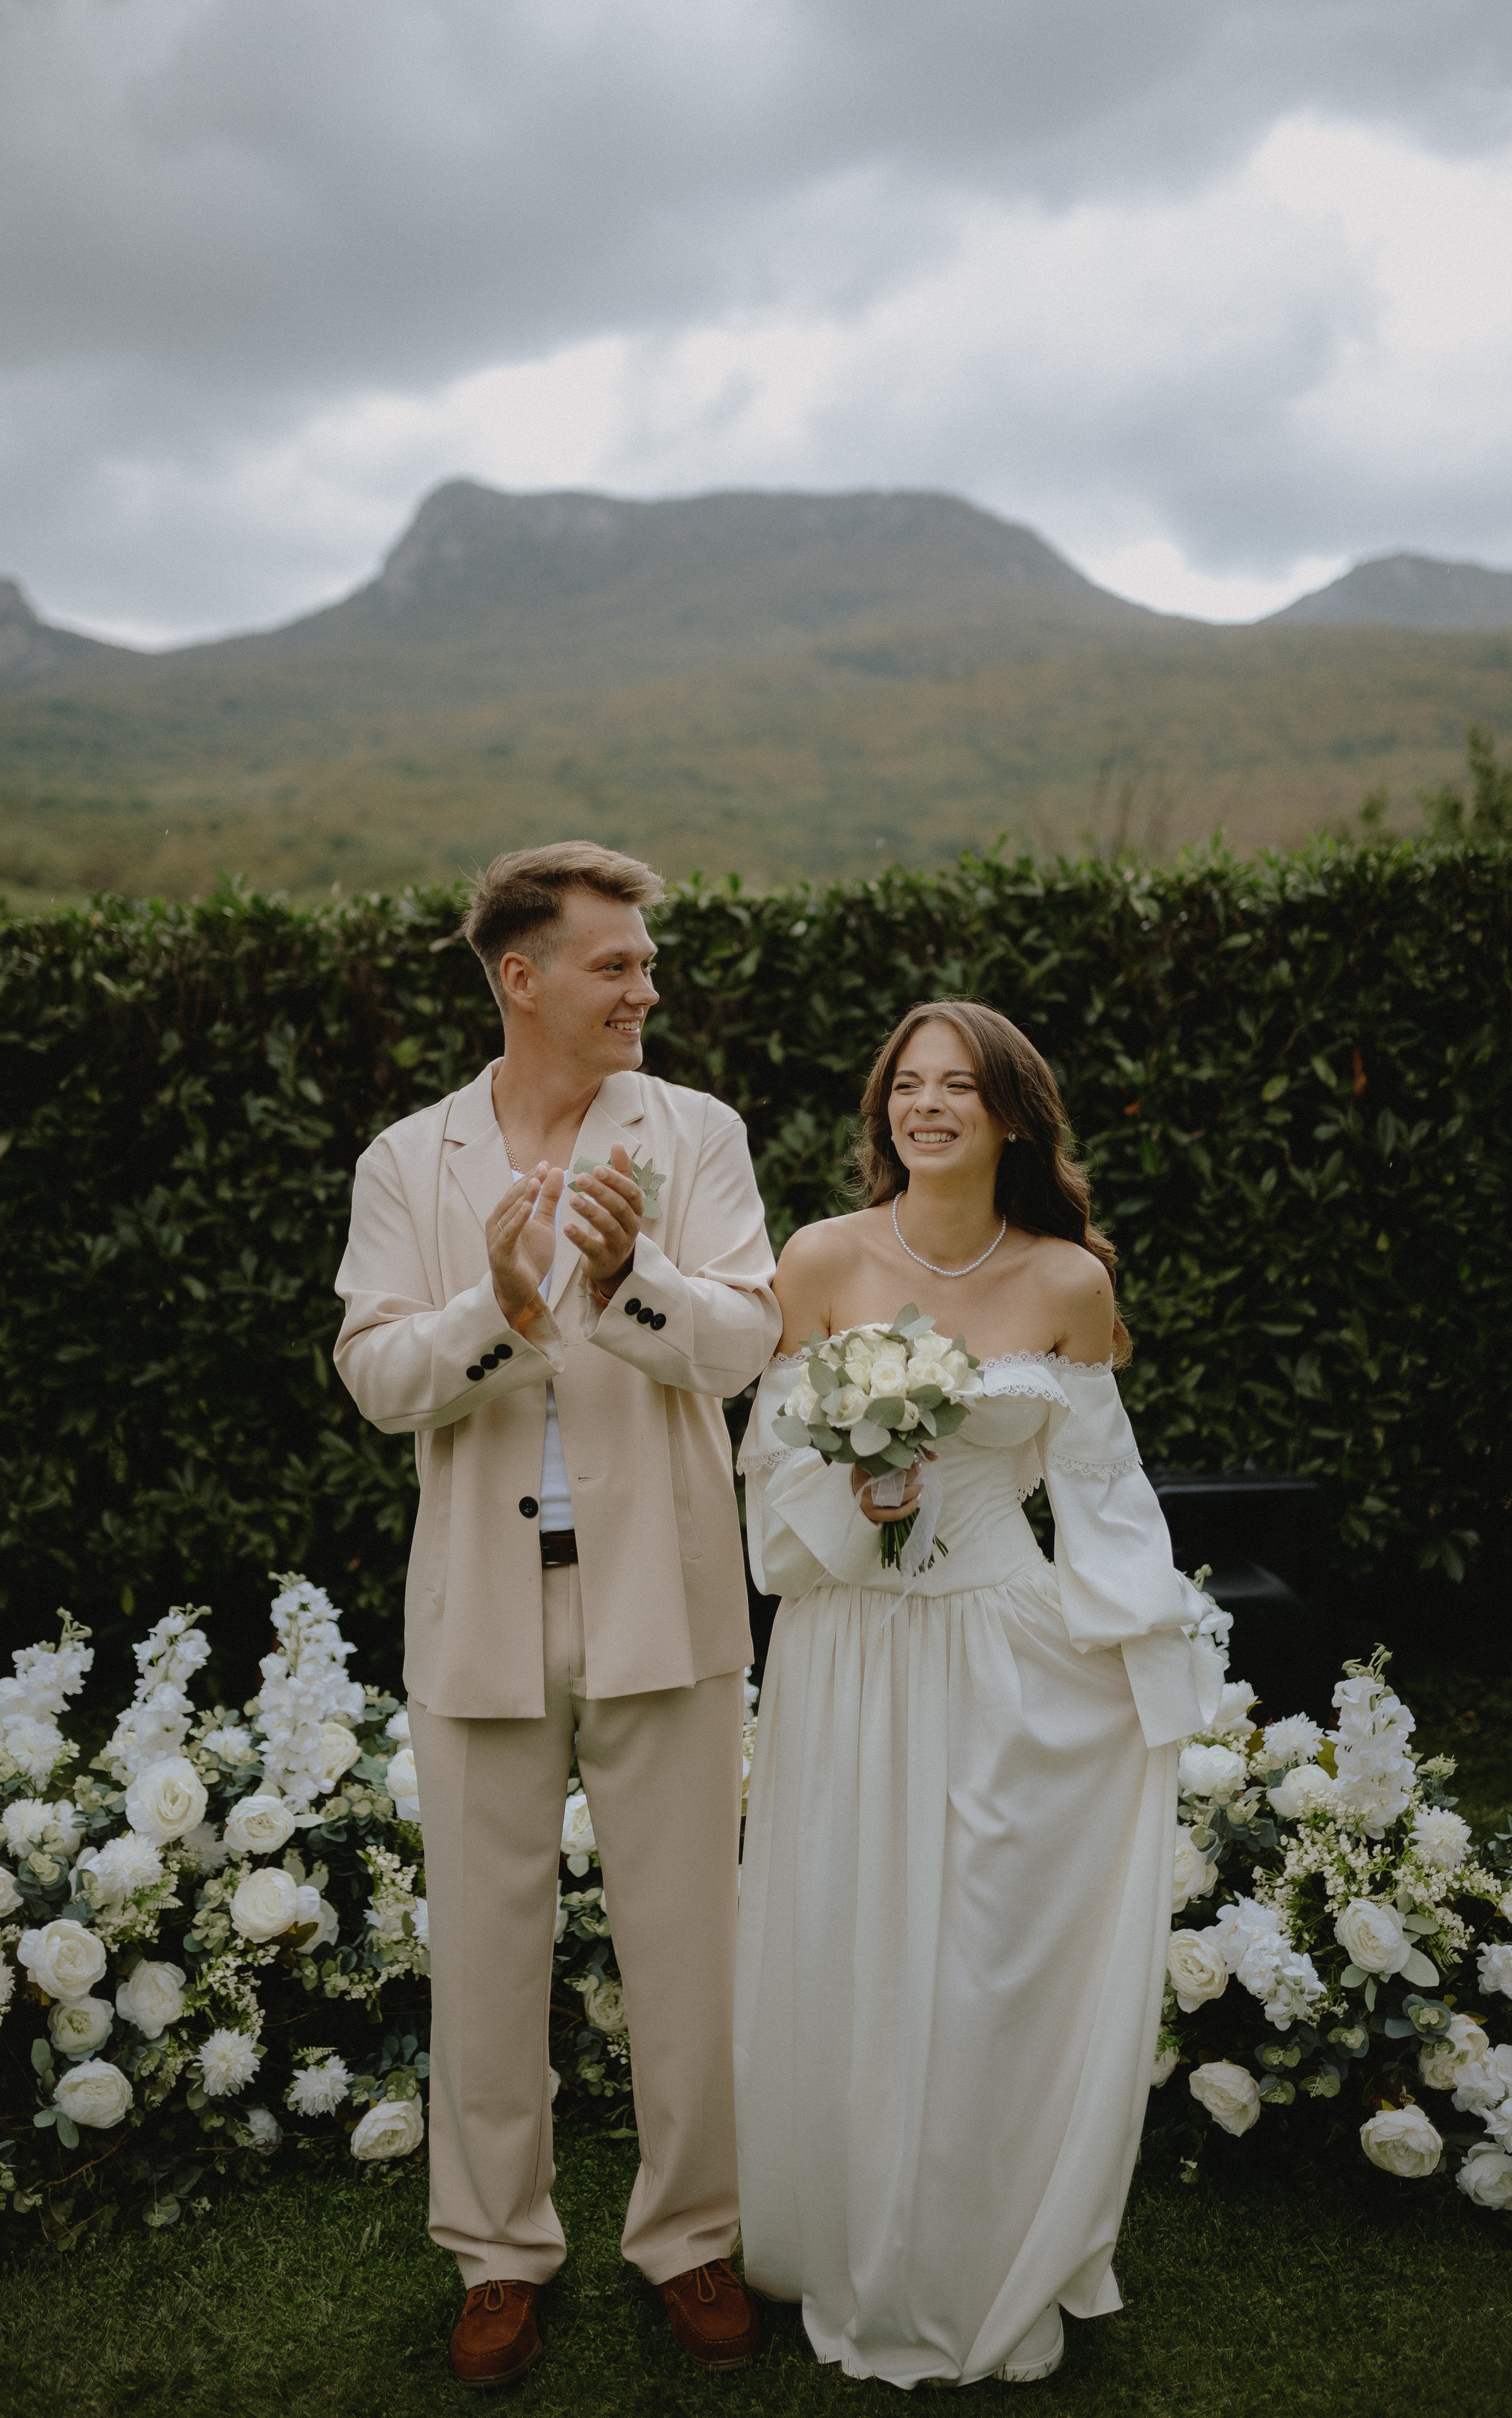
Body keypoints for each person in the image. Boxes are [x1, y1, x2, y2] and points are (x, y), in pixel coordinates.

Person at [334, 842, 780, 2387]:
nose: (645, 987)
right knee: (487, 1953)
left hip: (666, 1597)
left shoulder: (697, 1133)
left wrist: (628, 1270)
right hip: (478, 1617)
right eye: (616, 965)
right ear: (520, 978)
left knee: (686, 1944)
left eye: (646, 964)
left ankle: (692, 2239)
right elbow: (380, 1379)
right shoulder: (408, 1160)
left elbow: (741, 1345)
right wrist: (503, 1307)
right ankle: (497, 2257)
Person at [735, 1000, 1222, 2388]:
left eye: (958, 1087)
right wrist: (853, 1484)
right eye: (907, 1084)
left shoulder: (1066, 1282)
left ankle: (978, 2238)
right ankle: (844, 2233)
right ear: (883, 1108)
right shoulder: (819, 1260)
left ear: (1010, 1116)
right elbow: (768, 1469)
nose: (926, 1105)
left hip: (1005, 1638)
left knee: (984, 1940)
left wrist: (1141, 1652)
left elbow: (1105, 1494)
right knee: (851, 1922)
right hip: (846, 1638)